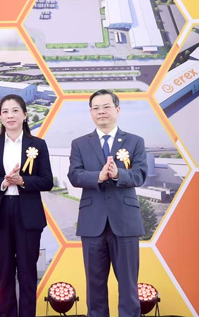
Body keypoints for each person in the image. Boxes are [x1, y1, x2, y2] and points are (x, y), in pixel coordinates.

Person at [68, 89, 147, 317]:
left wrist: (117, 174)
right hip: (93, 225)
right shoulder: (80, 143)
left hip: (125, 223)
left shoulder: (134, 141)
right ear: (91, 112)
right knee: (94, 288)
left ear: (117, 110)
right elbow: (74, 175)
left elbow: (140, 174)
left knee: (129, 287)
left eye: (106, 107)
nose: (101, 111)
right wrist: (99, 176)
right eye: (96, 108)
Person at [0, 94, 53, 317]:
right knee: (4, 272)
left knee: (28, 273)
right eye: (5, 111)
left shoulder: (37, 144)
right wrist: (2, 182)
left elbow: (47, 181)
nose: (10, 115)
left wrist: (23, 181)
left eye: (15, 110)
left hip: (27, 213)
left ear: (25, 115)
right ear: (0, 116)